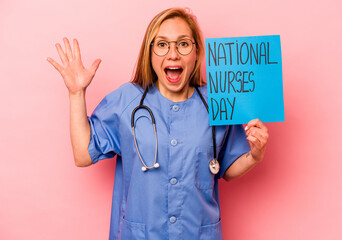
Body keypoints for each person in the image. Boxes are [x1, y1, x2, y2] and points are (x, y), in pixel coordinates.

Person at [47, 7, 269, 240]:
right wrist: (76, 93)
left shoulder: (218, 101)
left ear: (196, 52)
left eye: (183, 44)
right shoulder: (126, 100)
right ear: (150, 53)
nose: (172, 54)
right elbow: (83, 154)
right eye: (162, 45)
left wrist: (255, 155)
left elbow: (226, 169)